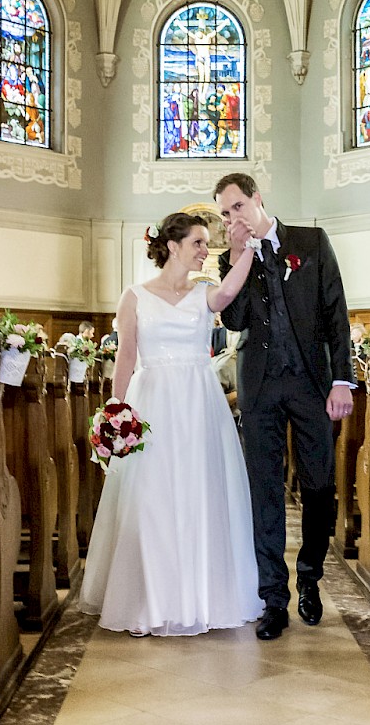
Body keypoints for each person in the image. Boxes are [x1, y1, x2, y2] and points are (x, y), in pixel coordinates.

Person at [78, 211, 261, 637]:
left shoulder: (205, 294)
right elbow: (125, 356)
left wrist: (248, 247)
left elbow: (232, 289)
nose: (204, 251)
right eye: (198, 243)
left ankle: (202, 594)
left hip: (199, 401)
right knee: (152, 495)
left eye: (206, 243)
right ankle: (152, 597)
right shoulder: (134, 296)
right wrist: (116, 410)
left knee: (200, 491)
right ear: (173, 246)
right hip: (153, 399)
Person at [214, 172, 354, 640]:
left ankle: (310, 577)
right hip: (260, 388)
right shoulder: (230, 259)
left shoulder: (310, 242)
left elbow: (336, 312)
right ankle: (273, 597)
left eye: (236, 207)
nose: (231, 219)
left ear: (256, 199)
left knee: (319, 486)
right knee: (265, 491)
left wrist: (341, 381)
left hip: (312, 384)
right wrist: (238, 254)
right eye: (223, 215)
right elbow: (233, 320)